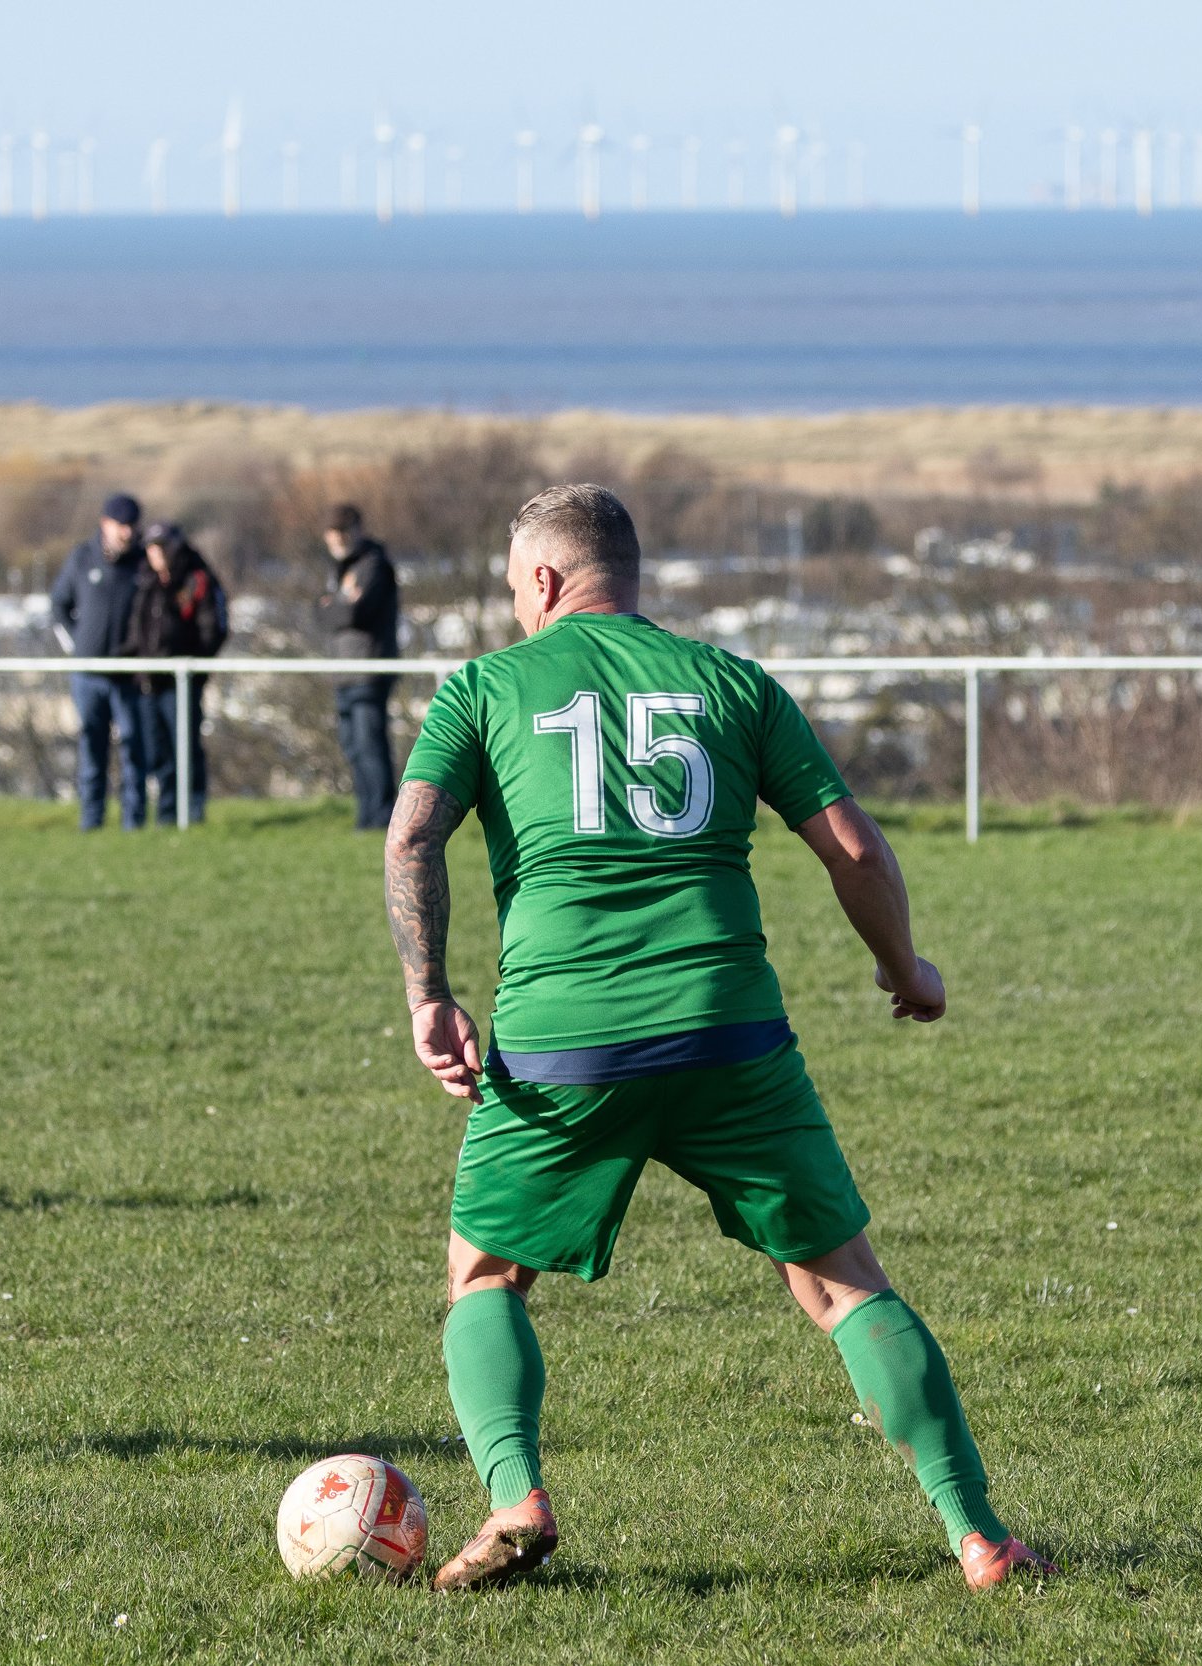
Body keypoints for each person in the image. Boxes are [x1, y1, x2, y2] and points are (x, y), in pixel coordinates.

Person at [382, 483, 1050, 1592]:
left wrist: (429, 993)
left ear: (544, 581)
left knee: (485, 1274)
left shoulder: (486, 688)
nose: (511, 607)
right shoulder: (734, 684)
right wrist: (906, 971)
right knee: (841, 1283)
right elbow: (851, 847)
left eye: (512, 587)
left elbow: (412, 836)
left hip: (562, 1040)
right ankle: (978, 1534)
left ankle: (515, 1497)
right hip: (727, 1028)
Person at [49, 493, 149, 831]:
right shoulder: (81, 558)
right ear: (105, 524)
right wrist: (77, 645)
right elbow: (59, 605)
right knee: (92, 749)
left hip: (128, 676)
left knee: (134, 748)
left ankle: (133, 822)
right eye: (122, 525)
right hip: (87, 676)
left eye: (132, 526)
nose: (127, 533)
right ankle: (91, 822)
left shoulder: (142, 563)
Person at [123, 522, 230, 826]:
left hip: (182, 682)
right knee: (159, 752)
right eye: (151, 547)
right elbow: (137, 628)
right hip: (149, 681)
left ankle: (193, 812)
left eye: (161, 546)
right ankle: (167, 814)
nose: (156, 553)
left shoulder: (197, 579)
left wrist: (191, 664)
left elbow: (214, 628)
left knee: (186, 747)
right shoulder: (145, 580)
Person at [316, 504, 400, 830]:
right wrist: (339, 604)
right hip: (344, 671)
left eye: (342, 532)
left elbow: (355, 614)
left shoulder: (373, 565)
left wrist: (335, 606)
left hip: (368, 669)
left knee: (369, 745)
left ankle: (381, 817)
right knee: (353, 746)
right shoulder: (338, 570)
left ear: (357, 531)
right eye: (332, 533)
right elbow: (319, 614)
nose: (337, 540)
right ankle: (367, 816)